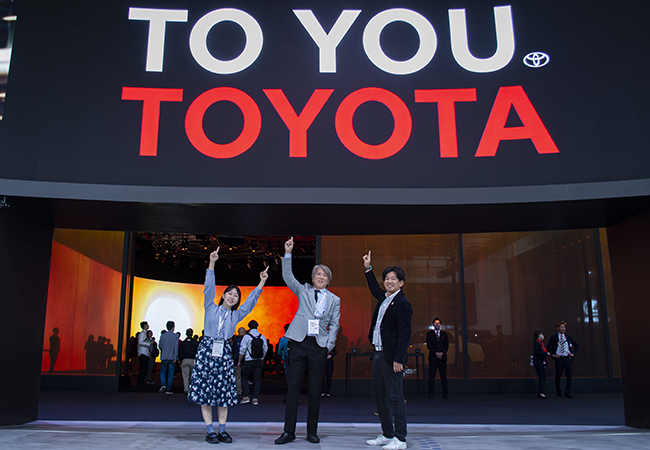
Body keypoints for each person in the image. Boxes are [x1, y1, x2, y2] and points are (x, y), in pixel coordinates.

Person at [188, 248, 269, 444]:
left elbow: (250, 302)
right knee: (206, 393)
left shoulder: (236, 315)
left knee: (223, 393)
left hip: (223, 351)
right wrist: (212, 263)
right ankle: (210, 430)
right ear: (223, 295)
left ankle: (222, 430)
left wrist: (261, 282)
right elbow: (208, 286)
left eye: (236, 296)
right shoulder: (210, 307)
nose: (233, 297)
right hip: (207, 350)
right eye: (230, 293)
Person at [275, 237, 340, 445]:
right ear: (312, 278)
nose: (321, 277)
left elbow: (335, 325)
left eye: (324, 275)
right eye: (318, 274)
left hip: (319, 347)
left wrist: (329, 346)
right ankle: (288, 431)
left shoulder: (334, 300)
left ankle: (312, 432)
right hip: (298, 343)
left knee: (314, 390)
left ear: (328, 280)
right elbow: (288, 276)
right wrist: (288, 253)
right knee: (293, 388)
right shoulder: (303, 290)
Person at [363, 251, 412, 450]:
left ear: (401, 283)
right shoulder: (385, 298)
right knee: (378, 395)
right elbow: (374, 288)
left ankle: (400, 439)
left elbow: (405, 334)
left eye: (393, 279)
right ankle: (387, 433)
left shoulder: (402, 303)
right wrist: (368, 268)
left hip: (391, 357)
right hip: (378, 354)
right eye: (387, 278)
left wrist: (399, 359)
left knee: (395, 397)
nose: (389, 281)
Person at [238, 320, 268, 405]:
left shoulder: (247, 337)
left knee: (245, 378)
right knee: (257, 379)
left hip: (249, 360)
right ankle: (255, 398)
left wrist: (239, 361)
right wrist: (262, 358)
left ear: (249, 327)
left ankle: (246, 397)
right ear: (257, 326)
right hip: (259, 361)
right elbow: (265, 348)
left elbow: (242, 349)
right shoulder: (262, 337)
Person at [546, 321, 579, 398]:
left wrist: (573, 353)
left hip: (567, 358)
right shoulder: (554, 337)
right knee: (558, 375)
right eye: (561, 327)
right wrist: (553, 354)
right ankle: (558, 391)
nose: (563, 329)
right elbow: (548, 347)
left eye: (564, 327)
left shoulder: (568, 337)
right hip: (559, 358)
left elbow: (576, 345)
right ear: (558, 328)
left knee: (569, 375)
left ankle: (567, 392)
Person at [426, 318, 449, 399]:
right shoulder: (430, 334)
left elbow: (446, 346)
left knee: (443, 375)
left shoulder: (444, 334)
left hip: (442, 358)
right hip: (433, 357)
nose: (437, 324)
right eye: (435, 323)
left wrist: (442, 353)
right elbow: (429, 345)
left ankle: (445, 392)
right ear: (433, 325)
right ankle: (430, 392)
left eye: (438, 323)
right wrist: (435, 353)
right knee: (432, 375)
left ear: (441, 325)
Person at [159, 321, 179, 394]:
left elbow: (160, 346)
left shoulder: (163, 335)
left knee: (163, 371)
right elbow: (175, 347)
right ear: (173, 327)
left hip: (164, 356)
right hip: (172, 357)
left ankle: (163, 384)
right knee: (170, 373)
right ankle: (168, 389)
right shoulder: (175, 336)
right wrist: (175, 357)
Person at [179, 328, 199, 395]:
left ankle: (186, 389)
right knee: (192, 376)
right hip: (193, 360)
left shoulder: (183, 343)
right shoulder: (195, 342)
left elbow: (180, 352)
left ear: (186, 334)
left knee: (185, 376)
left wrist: (180, 361)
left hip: (185, 360)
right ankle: (192, 389)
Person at [532, 330, 550, 398]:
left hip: (540, 361)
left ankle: (541, 392)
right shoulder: (537, 343)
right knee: (542, 376)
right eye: (541, 334)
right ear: (539, 335)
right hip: (538, 361)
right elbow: (536, 352)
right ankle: (541, 392)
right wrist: (545, 353)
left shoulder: (540, 343)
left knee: (543, 376)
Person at [232, 327, 247, 399]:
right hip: (246, 360)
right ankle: (246, 392)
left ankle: (239, 391)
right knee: (245, 377)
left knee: (238, 377)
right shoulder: (247, 339)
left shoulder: (235, 340)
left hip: (236, 360)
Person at [137, 321, 151, 387]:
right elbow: (140, 342)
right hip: (143, 353)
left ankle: (141, 381)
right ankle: (140, 382)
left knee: (143, 368)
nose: (148, 325)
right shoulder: (143, 334)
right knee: (143, 368)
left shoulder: (144, 333)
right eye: (147, 324)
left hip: (144, 353)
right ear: (145, 326)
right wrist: (148, 344)